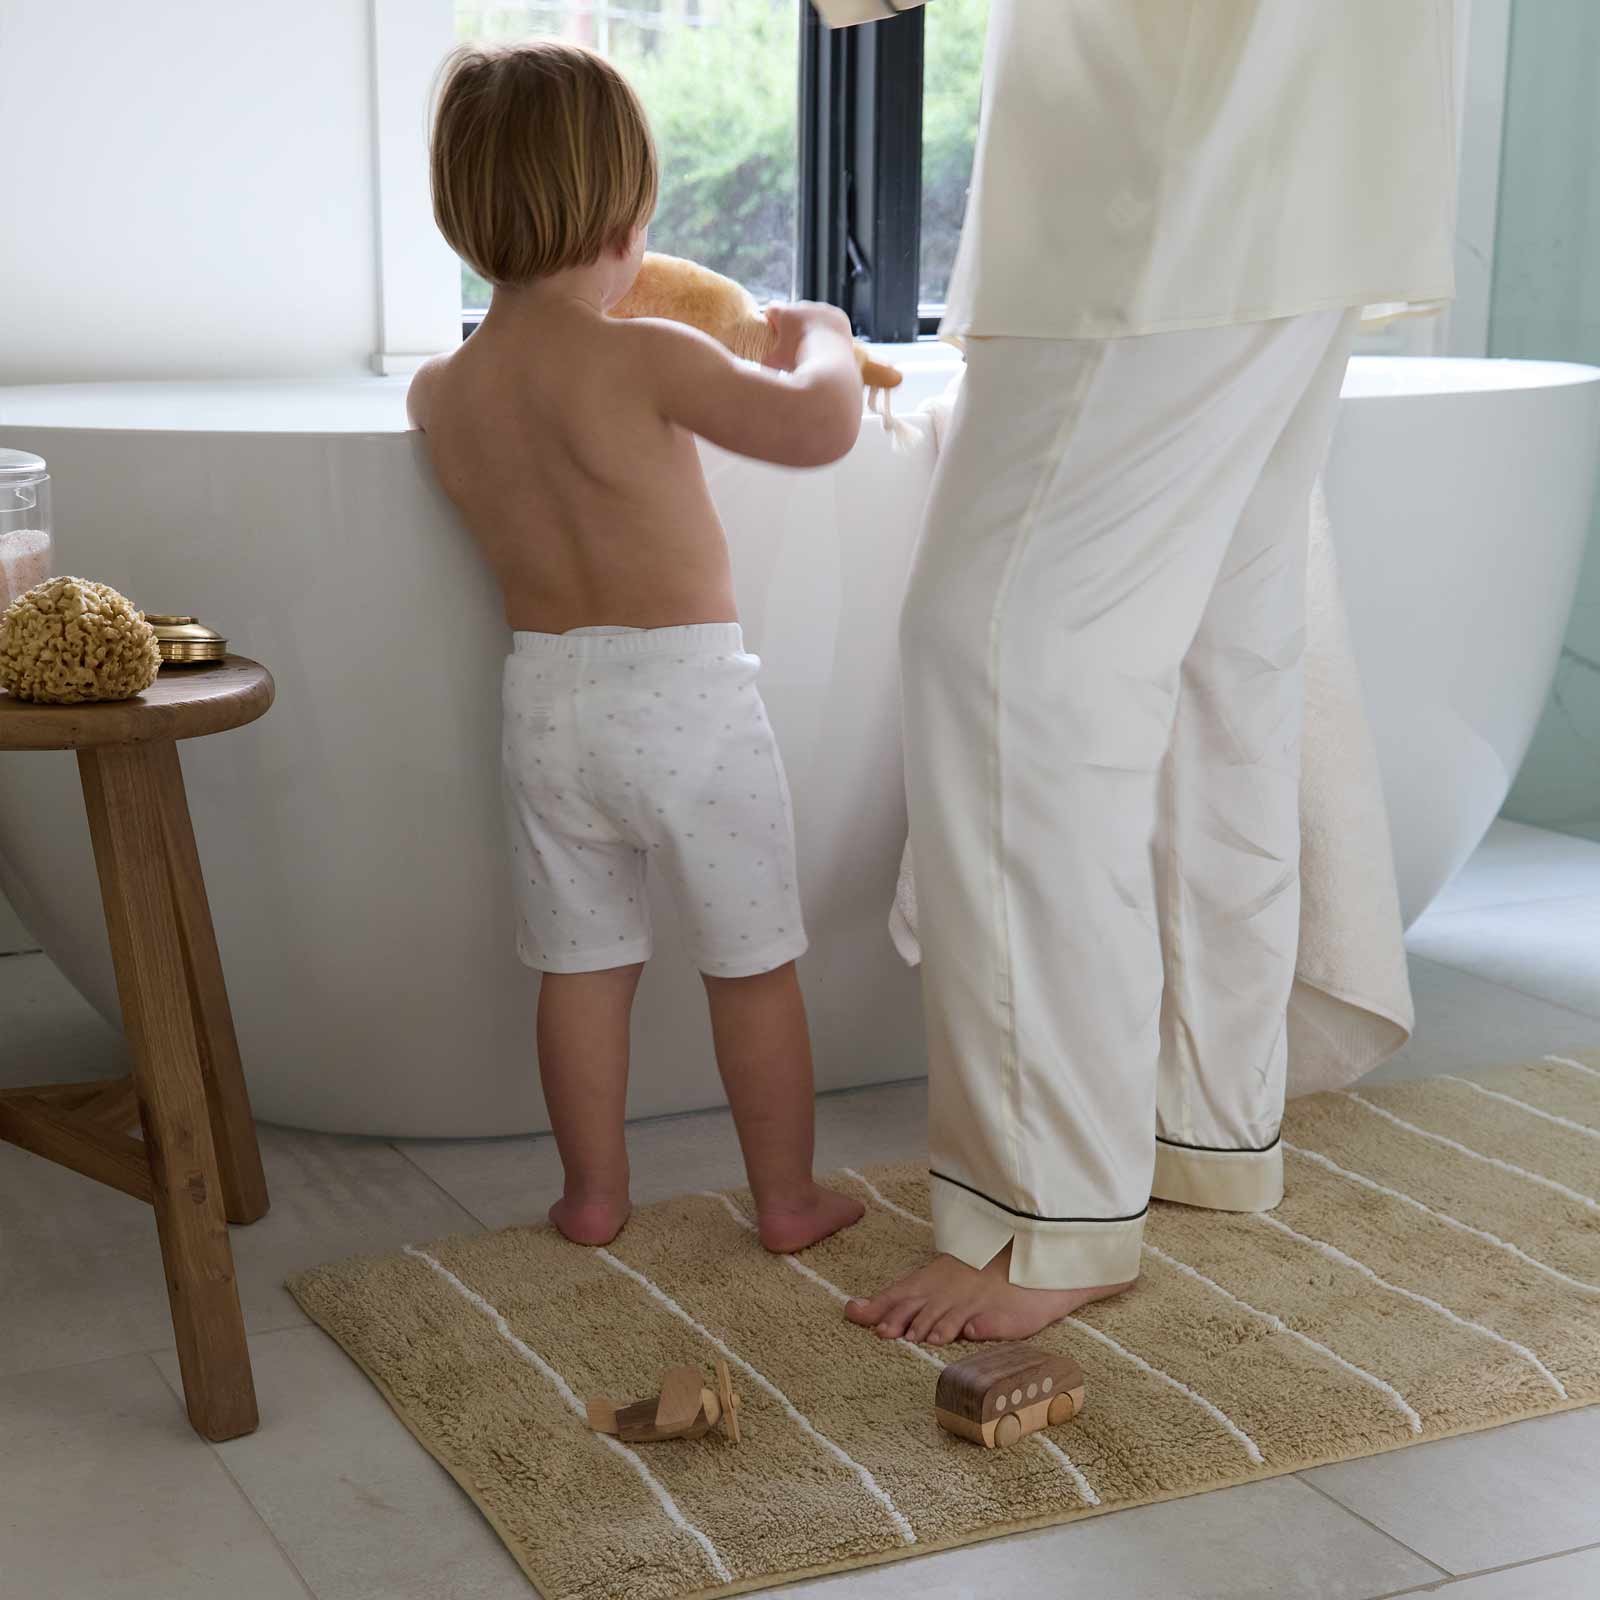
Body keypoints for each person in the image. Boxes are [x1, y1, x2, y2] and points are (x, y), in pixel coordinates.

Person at [817, 0, 1458, 1344]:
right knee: (1223, 656)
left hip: (1165, 163)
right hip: (1317, 150)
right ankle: (1200, 1125)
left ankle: (1049, 1210)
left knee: (1004, 658)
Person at [407, 38, 867, 1254]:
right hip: (686, 704)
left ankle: (593, 1195)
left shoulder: (440, 392)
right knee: (752, 963)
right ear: (627, 217)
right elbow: (821, 429)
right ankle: (786, 1201)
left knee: (583, 965)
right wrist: (817, 329)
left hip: (545, 710)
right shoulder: (646, 356)